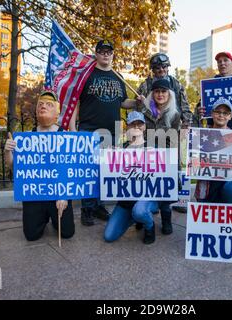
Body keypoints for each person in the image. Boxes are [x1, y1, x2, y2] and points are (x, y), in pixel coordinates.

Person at [69, 39, 142, 227]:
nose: (105, 54)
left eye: (109, 51)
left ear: (112, 54)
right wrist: (72, 126)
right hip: (89, 129)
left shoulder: (118, 77)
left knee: (104, 170)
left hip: (112, 131)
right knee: (88, 170)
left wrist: (137, 102)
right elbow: (75, 101)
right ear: (96, 53)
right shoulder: (87, 74)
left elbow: (123, 102)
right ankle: (87, 208)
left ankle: (98, 206)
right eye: (101, 51)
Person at [4, 91, 75, 241]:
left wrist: (65, 195)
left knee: (67, 232)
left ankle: (54, 218)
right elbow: (14, 167)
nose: (43, 107)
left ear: (57, 111)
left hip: (58, 194)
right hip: (34, 195)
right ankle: (42, 219)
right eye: (40, 104)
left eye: (49, 105)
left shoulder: (66, 136)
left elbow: (72, 169)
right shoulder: (27, 137)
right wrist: (8, 151)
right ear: (36, 110)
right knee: (31, 235)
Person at [104, 111, 159, 244]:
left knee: (139, 211)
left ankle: (149, 226)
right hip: (126, 200)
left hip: (146, 197)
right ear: (127, 127)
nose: (136, 127)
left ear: (144, 126)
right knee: (109, 236)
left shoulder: (154, 148)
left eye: (139, 123)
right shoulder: (120, 149)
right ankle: (135, 217)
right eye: (132, 124)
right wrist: (108, 157)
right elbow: (111, 175)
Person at [138, 78, 181, 235]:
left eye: (163, 91)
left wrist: (158, 151)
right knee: (144, 186)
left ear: (169, 94)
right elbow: (137, 135)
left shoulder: (174, 115)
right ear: (152, 93)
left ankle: (166, 218)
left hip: (165, 158)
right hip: (146, 158)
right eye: (157, 91)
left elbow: (173, 141)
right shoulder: (145, 111)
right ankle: (141, 218)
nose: (160, 94)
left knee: (164, 189)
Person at [195, 98, 232, 203]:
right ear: (212, 114)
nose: (221, 115)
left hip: (230, 183)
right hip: (208, 184)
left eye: (225, 113)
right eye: (218, 112)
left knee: (231, 188)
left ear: (230, 116)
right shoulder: (201, 135)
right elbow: (191, 160)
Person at [137, 53, 193, 126]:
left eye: (164, 67)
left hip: (172, 125)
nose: (161, 70)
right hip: (150, 127)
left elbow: (185, 108)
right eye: (158, 68)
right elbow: (137, 108)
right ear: (153, 70)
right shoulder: (145, 85)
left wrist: (186, 124)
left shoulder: (176, 84)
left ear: (167, 68)